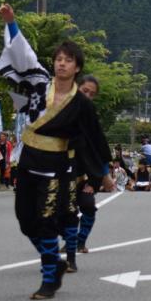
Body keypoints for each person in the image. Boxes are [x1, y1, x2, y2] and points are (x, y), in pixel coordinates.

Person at [0, 3, 113, 300]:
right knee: (25, 220)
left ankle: (50, 277)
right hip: (29, 158)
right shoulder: (38, 83)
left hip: (55, 165)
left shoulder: (81, 104)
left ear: (77, 68)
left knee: (47, 220)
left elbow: (95, 139)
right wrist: (11, 23)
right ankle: (55, 262)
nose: (61, 64)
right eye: (58, 59)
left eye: (68, 60)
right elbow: (24, 54)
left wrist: (104, 173)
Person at [64, 74, 107, 267]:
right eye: (85, 91)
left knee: (88, 207)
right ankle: (66, 243)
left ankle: (77, 244)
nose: (88, 96)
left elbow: (98, 150)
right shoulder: (59, 109)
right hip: (56, 175)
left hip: (81, 176)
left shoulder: (90, 120)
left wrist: (95, 180)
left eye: (92, 94)